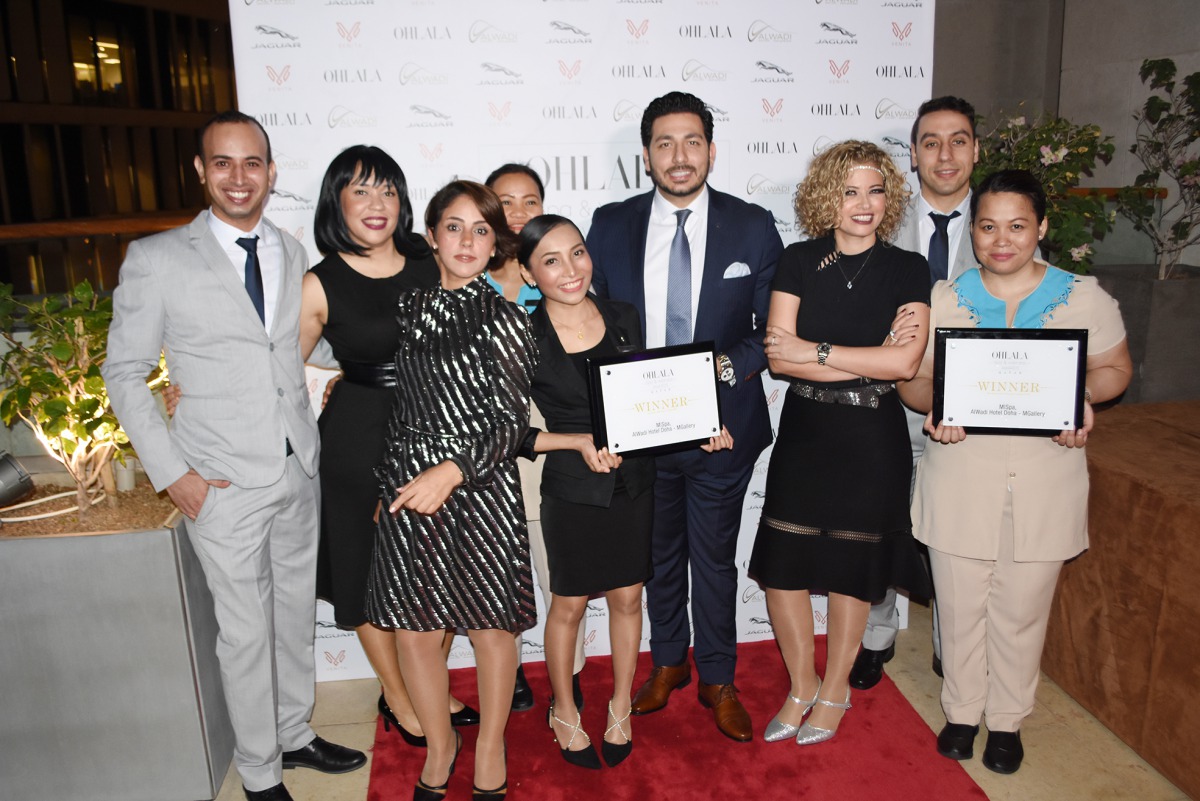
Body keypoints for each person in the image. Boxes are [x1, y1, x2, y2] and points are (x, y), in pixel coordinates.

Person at [103, 110, 365, 801]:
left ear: (272, 173)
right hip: (217, 480)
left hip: (294, 467)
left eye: (253, 163)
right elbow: (124, 375)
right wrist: (175, 476)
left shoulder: (288, 247)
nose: (239, 176)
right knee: (245, 631)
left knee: (289, 617)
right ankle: (258, 770)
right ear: (200, 170)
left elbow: (297, 347)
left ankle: (291, 730)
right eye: (223, 162)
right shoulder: (156, 258)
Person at [903, 169, 1131, 773]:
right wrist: (936, 409)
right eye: (987, 227)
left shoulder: (1084, 297)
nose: (1001, 240)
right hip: (961, 474)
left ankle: (1006, 721)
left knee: (1023, 609)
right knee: (957, 605)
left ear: (1042, 229)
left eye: (1017, 226)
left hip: (1045, 477)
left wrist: (1083, 397)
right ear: (972, 231)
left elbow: (1115, 371)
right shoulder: (944, 297)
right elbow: (915, 382)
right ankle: (961, 711)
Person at [586, 90, 783, 742]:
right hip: (643, 433)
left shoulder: (751, 226)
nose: (679, 156)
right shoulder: (610, 224)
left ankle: (718, 676)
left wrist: (720, 373)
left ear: (712, 150)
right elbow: (596, 325)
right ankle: (669, 661)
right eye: (664, 143)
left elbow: (770, 332)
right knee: (659, 556)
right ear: (645, 155)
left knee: (715, 558)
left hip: (722, 431)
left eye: (692, 141)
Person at [750, 140, 932, 746]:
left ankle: (835, 690)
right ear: (827, 196)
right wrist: (861, 359)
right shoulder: (799, 260)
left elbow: (904, 363)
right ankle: (801, 684)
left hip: (872, 438)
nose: (864, 203)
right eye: (850, 190)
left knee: (854, 570)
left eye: (876, 190)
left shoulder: (908, 269)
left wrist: (818, 352)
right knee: (785, 571)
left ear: (891, 197)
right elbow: (779, 355)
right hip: (805, 433)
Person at [364, 180, 536, 801]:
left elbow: (511, 424)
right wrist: (391, 485)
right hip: (410, 484)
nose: (467, 241)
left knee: (490, 629)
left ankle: (489, 744)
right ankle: (442, 746)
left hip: (481, 484)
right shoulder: (407, 308)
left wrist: (454, 471)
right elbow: (400, 406)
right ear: (432, 235)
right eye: (454, 227)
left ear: (496, 246)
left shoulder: (506, 317)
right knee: (414, 630)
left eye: (482, 230)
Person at [301, 145, 478, 742]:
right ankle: (399, 699)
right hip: (358, 438)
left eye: (388, 191)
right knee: (362, 573)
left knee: (436, 569)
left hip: (433, 429)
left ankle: (431, 681)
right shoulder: (319, 282)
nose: (376, 205)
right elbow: (277, 371)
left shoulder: (430, 263)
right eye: (360, 191)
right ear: (337, 202)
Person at [851, 96, 981, 690]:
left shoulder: (1005, 224)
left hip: (972, 411)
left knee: (955, 535)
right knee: (879, 521)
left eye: (958, 140)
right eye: (931, 142)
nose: (945, 154)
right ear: (913, 154)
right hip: (883, 403)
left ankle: (947, 645)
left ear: (975, 149)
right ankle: (876, 634)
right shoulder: (878, 220)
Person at [483, 162, 582, 715]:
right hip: (485, 453)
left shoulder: (560, 275)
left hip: (550, 448)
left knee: (559, 572)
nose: (518, 214)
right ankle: (512, 668)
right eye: (505, 202)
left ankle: (567, 675)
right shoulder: (467, 278)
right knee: (500, 572)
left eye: (530, 201)